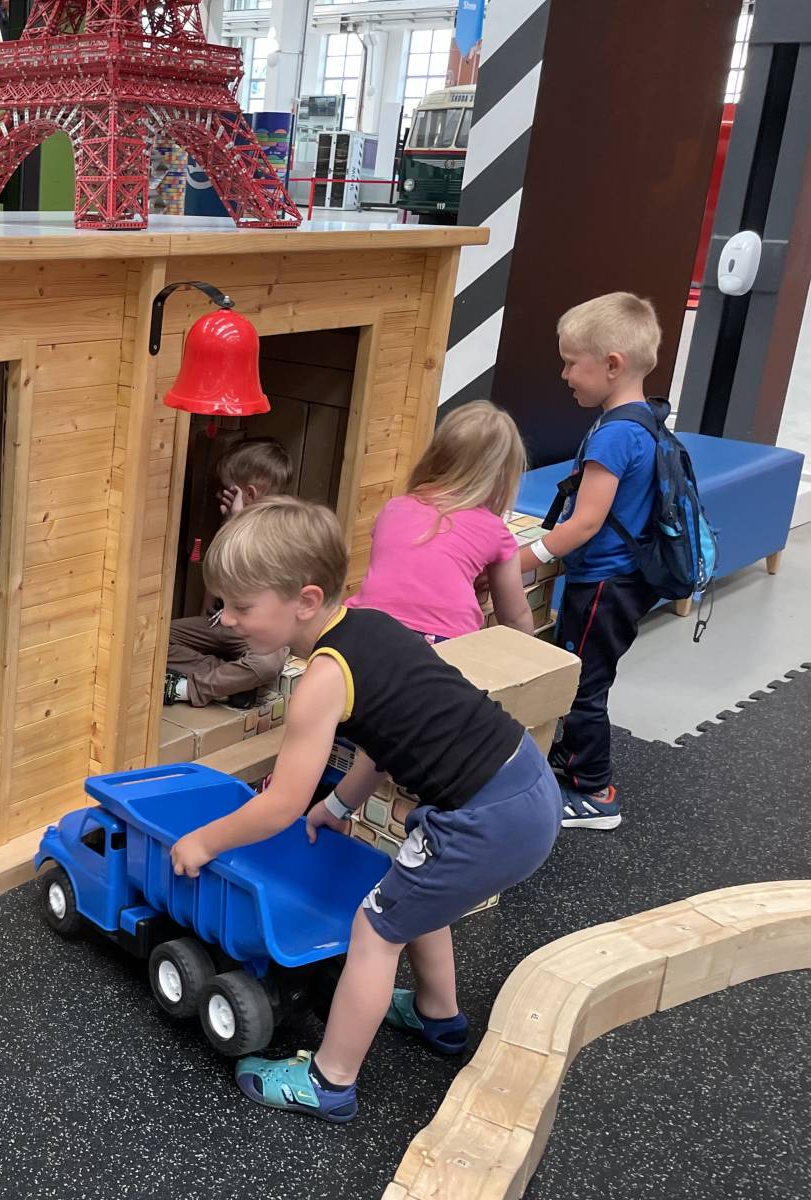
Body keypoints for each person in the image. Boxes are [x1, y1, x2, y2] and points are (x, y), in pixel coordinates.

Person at [168, 497, 559, 1123]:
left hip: (484, 821)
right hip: (526, 785)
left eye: (242, 606)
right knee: (416, 893)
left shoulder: (321, 679)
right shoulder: (372, 627)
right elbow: (385, 738)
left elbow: (280, 805)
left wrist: (203, 842)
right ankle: (439, 1017)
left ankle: (330, 1081)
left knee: (375, 932)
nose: (228, 620)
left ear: (304, 600)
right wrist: (340, 802)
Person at [517, 293, 663, 831]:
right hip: (624, 578)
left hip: (604, 581)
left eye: (571, 362)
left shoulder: (615, 435)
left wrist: (523, 558)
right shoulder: (644, 418)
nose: (564, 375)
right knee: (583, 671)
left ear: (612, 365)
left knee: (582, 683)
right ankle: (572, 757)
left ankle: (594, 793)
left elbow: (584, 523)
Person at [348, 400, 533, 642]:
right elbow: (514, 617)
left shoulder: (394, 507)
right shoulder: (494, 530)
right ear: (500, 476)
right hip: (440, 641)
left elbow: (398, 578)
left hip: (362, 627)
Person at [164, 438, 294, 708]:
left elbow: (252, 573)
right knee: (154, 642)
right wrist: (229, 523)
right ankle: (230, 680)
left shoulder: (280, 528)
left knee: (267, 664)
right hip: (221, 624)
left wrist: (236, 522)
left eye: (227, 490)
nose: (220, 495)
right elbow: (217, 574)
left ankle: (190, 688)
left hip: (255, 631)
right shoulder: (234, 523)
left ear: (249, 494)